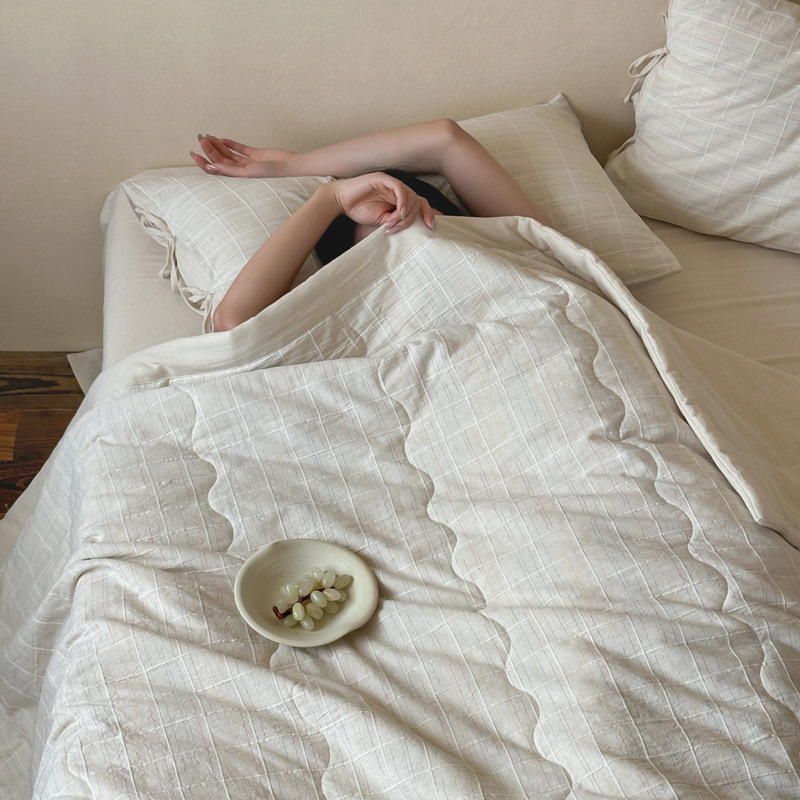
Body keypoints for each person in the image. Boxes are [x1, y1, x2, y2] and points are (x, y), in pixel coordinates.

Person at [191, 119, 546, 331]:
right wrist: (330, 198)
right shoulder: (356, 316)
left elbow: (445, 137)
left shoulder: (534, 251)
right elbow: (233, 322)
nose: (404, 223)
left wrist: (294, 164)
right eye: (388, 231)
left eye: (412, 213)